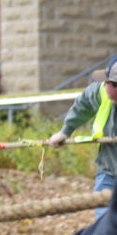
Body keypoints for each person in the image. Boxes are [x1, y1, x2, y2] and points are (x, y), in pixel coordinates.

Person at [48, 56, 117, 218]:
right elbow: (82, 106)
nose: (111, 97)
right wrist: (65, 131)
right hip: (109, 172)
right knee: (105, 223)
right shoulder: (100, 91)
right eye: (108, 86)